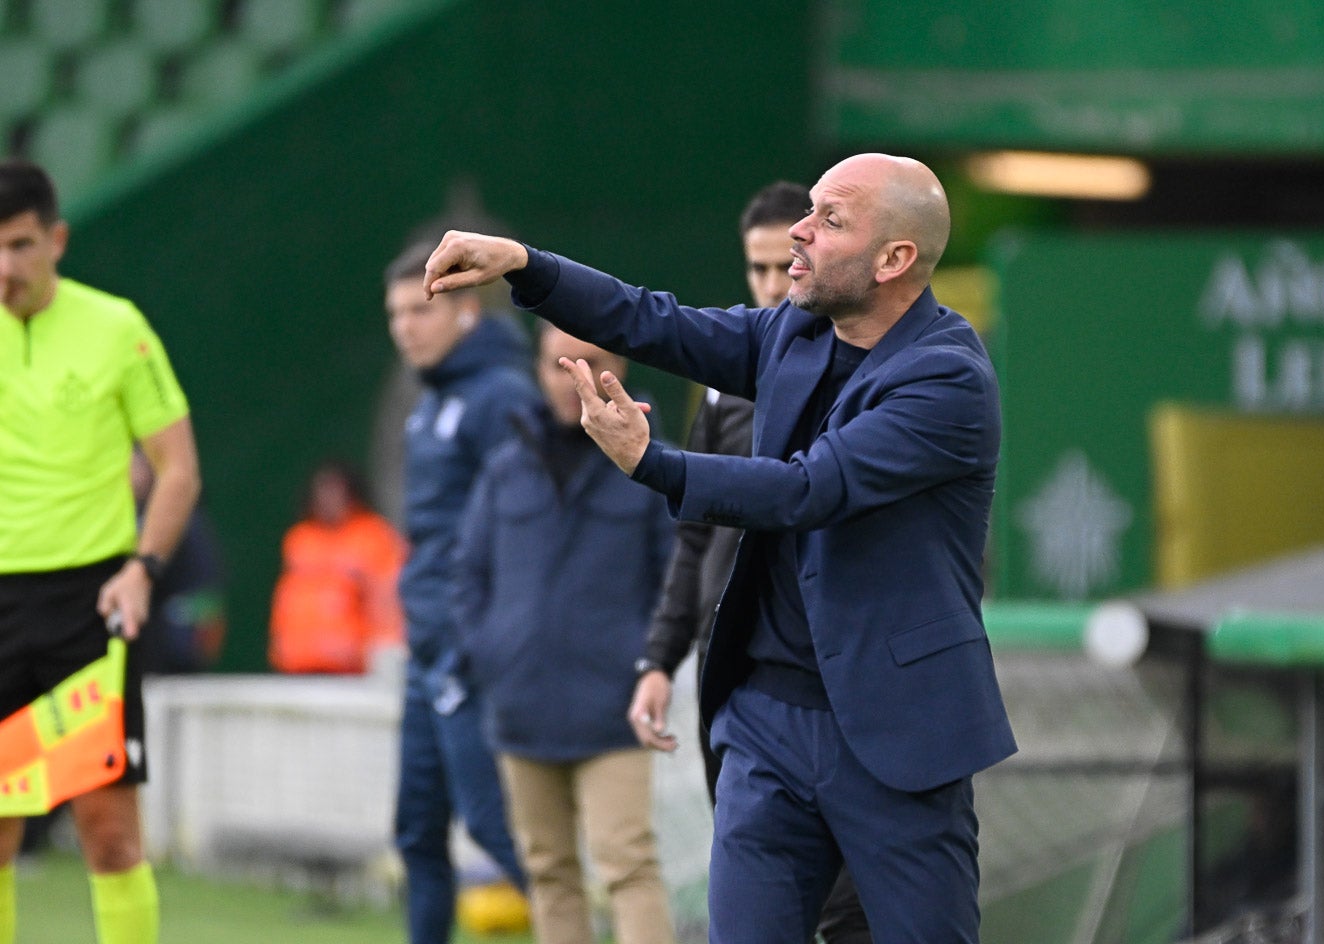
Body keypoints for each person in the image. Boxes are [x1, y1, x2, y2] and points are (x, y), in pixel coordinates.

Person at [423, 152, 1016, 943]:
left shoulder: (947, 377)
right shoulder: (793, 331)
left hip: (893, 735)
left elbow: (808, 490)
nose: (800, 234)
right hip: (765, 723)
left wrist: (651, 462)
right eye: (809, 209)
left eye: (829, 220)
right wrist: (527, 267)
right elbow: (654, 320)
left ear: (895, 259)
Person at [627, 180, 873, 944]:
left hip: (829, 674)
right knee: (755, 883)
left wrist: (651, 461)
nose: (771, 285)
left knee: (845, 904)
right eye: (755, 270)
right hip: (730, 663)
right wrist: (661, 657)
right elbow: (694, 536)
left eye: (781, 265)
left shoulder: (866, 377)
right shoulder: (724, 386)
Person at [0, 160, 201, 944]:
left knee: (109, 833)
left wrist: (142, 568)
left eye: (19, 246)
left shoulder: (117, 327)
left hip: (90, 603)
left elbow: (179, 467)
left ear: (57, 239)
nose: (4, 268)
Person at [453, 323, 675, 944]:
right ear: (537, 369)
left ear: (619, 371)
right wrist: (492, 653)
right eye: (557, 364)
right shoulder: (505, 467)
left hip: (614, 712)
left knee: (627, 864)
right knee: (547, 872)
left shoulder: (653, 466)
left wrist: (647, 661)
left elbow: (677, 580)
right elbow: (469, 575)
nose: (572, 378)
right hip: (521, 708)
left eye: (591, 362)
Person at [383, 240, 537, 944]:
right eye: (395, 313)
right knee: (416, 831)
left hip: (468, 652)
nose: (406, 327)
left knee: (495, 826)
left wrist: (477, 639)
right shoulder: (434, 398)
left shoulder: (501, 395)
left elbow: (522, 527)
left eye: (420, 309)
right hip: (426, 650)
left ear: (467, 311)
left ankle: (584, 929)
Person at [268, 459, 406, 674]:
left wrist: (382, 654)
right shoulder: (301, 538)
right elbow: (287, 597)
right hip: (298, 662)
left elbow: (386, 602)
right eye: (322, 491)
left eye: (335, 491)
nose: (327, 499)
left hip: (350, 668)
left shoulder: (373, 536)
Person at [130, 449, 226, 675]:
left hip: (176, 639)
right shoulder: (132, 514)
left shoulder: (183, 520)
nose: (131, 474)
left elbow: (205, 586)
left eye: (137, 466)